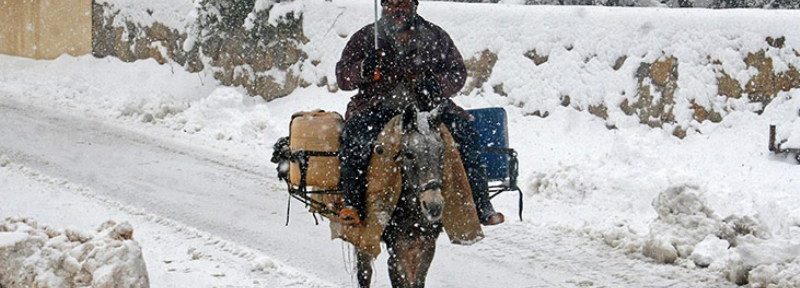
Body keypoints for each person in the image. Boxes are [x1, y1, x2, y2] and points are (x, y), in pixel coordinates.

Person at [335, 0, 504, 226]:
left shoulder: (435, 36)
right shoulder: (366, 37)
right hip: (377, 107)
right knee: (356, 137)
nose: (397, 10)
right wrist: (364, 69)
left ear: (415, 6)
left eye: (404, 3)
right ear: (383, 6)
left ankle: (481, 204)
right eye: (392, 4)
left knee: (465, 132)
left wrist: (436, 85)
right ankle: (353, 204)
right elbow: (343, 76)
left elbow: (457, 73)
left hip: (428, 107)